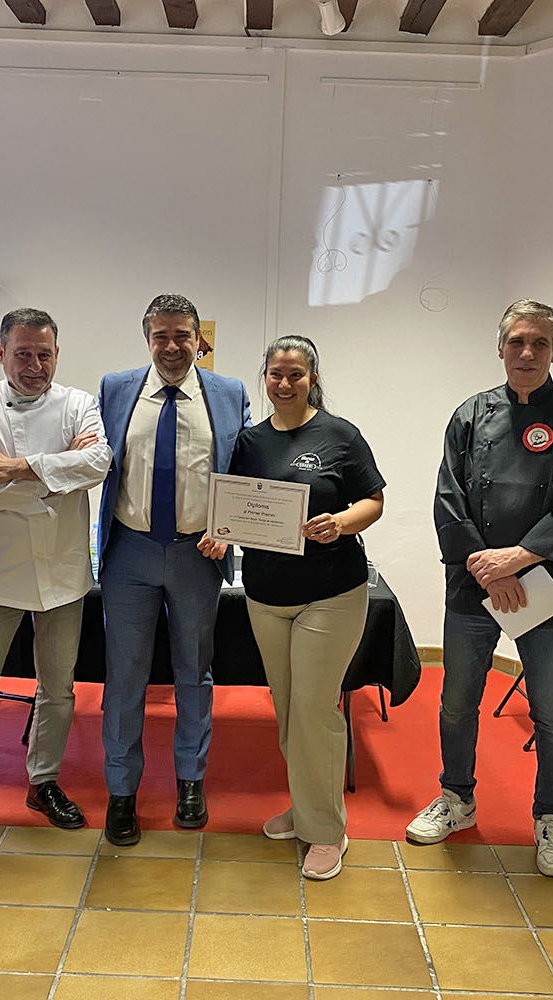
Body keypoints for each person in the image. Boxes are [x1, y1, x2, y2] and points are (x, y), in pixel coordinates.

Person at [408, 299, 553, 878]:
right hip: (473, 585)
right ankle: (457, 798)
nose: (527, 352)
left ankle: (551, 819)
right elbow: (448, 499)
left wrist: (516, 561)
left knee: (550, 712)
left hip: (545, 587)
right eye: (517, 341)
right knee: (457, 703)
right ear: (500, 347)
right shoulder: (470, 415)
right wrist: (487, 568)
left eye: (539, 342)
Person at [200, 336, 384, 880]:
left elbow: (373, 500)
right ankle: (307, 808)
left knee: (313, 711)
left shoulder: (340, 435)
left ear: (312, 379)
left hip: (331, 594)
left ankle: (327, 831)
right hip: (265, 596)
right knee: (288, 711)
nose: (284, 384)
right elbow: (235, 503)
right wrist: (220, 533)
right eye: (276, 374)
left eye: (295, 375)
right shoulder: (250, 440)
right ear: (265, 378)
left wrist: (341, 522)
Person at [0, 308, 111, 848]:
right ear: (1, 353)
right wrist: (58, 473)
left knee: (58, 688)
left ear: (57, 354)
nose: (35, 365)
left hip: (63, 573)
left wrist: (17, 467)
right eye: (23, 353)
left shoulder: (79, 403)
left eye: (44, 354)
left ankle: (44, 782)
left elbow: (98, 464)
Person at [97, 293, 250, 845]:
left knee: (194, 671)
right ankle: (122, 792)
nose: (171, 346)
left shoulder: (228, 393)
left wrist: (228, 525)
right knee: (125, 676)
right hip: (130, 552)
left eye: (182, 335)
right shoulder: (116, 389)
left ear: (198, 339)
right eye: (160, 336)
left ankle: (191, 781)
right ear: (147, 339)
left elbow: (243, 468)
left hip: (197, 553)